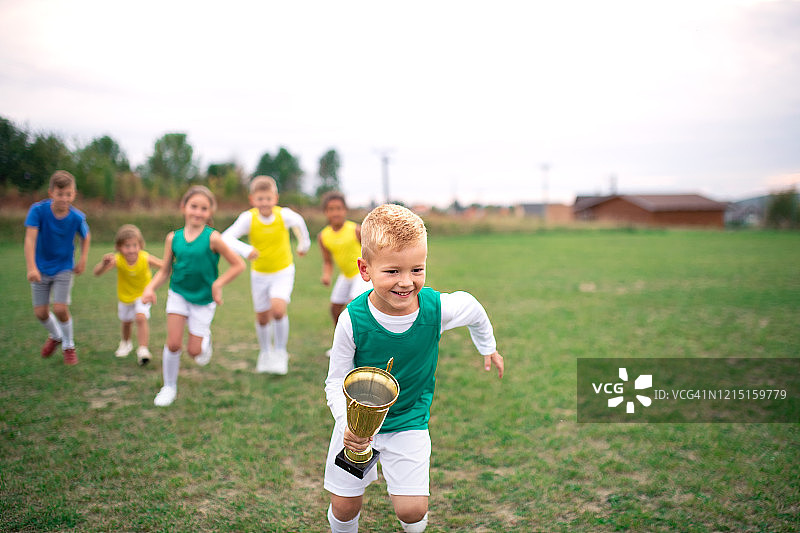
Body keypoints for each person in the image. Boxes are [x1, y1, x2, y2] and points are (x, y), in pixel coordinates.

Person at [323, 204, 505, 533]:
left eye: (417, 270)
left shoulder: (437, 309)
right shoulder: (352, 319)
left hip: (409, 420)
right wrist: (348, 424)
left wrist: (487, 347)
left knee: (411, 510)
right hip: (356, 428)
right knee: (345, 507)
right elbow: (335, 380)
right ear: (365, 269)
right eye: (392, 271)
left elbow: (474, 308)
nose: (406, 282)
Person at [142, 186, 245, 407]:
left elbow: (238, 265)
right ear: (184, 207)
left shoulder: (214, 238)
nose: (198, 212)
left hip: (204, 300)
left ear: (210, 212)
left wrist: (218, 284)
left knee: (194, 352)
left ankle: (204, 341)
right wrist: (150, 288)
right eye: (194, 206)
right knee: (173, 344)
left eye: (204, 208)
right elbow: (164, 270)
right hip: (178, 293)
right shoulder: (173, 238)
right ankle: (169, 386)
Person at [221, 175, 311, 375]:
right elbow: (226, 237)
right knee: (262, 317)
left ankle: (280, 352)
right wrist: (245, 250)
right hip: (260, 274)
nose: (265, 203)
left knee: (278, 311)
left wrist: (304, 245)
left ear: (275, 198)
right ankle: (265, 353)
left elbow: (300, 224)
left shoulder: (284, 215)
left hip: (283, 271)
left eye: (268, 198)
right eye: (260, 199)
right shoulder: (248, 218)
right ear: (252, 199)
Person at [24, 170, 91, 366]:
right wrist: (31, 267)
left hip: (64, 267)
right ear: (51, 193)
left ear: (74, 194)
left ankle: (68, 346)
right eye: (60, 194)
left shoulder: (77, 218)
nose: (64, 198)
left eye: (68, 194)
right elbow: (30, 239)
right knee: (40, 313)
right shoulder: (37, 211)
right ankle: (56, 335)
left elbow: (86, 237)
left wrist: (83, 259)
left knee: (60, 308)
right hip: (40, 268)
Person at [93, 224, 164, 366]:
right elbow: (97, 273)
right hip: (125, 296)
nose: (131, 249)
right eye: (127, 246)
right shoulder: (118, 260)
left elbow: (164, 266)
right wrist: (103, 264)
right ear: (119, 247)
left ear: (140, 245)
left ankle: (143, 350)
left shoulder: (145, 258)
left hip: (143, 294)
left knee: (140, 317)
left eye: (134, 245)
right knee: (126, 322)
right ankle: (126, 343)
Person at [317, 191, 371, 355]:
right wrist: (326, 275)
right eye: (331, 209)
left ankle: (359, 346)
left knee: (353, 307)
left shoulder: (355, 230)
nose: (335, 212)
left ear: (345, 210)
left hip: (361, 274)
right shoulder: (323, 236)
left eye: (339, 208)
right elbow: (327, 261)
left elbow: (372, 250)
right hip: (345, 275)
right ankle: (342, 343)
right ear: (326, 212)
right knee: (334, 308)